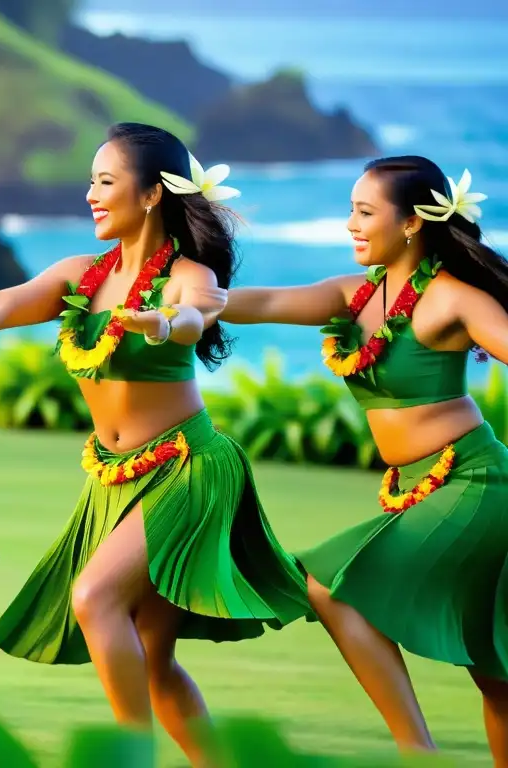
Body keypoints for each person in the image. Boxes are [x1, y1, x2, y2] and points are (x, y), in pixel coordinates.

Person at [0, 122, 311, 764]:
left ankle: (128, 758)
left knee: (94, 598)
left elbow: (199, 312)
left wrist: (164, 323)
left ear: (153, 194)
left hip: (186, 469)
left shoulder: (186, 274)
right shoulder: (81, 275)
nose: (92, 196)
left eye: (106, 182)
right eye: (91, 183)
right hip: (114, 477)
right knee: (153, 662)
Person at [219, 156, 508, 764]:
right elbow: (269, 301)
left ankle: (417, 753)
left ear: (410, 224)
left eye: (365, 212)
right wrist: (194, 300)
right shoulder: (355, 296)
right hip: (418, 485)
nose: (350, 223)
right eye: (351, 210)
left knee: (332, 589)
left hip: (474, 481)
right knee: (495, 671)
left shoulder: (452, 298)